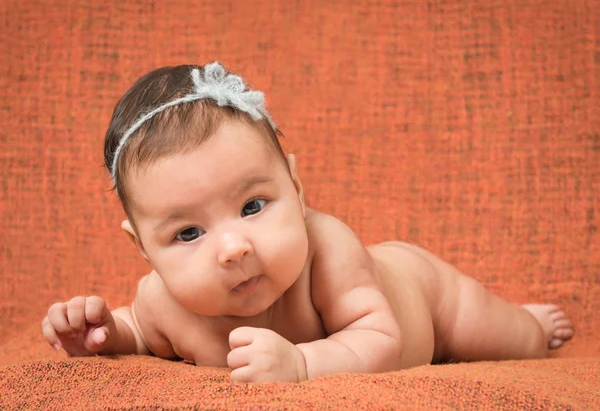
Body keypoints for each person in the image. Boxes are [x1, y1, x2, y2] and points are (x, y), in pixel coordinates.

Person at [42, 62, 574, 383]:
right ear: (144, 250)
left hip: (426, 296)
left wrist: (301, 364)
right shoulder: (163, 300)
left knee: (506, 336)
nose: (233, 248)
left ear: (295, 188)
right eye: (188, 233)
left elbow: (382, 338)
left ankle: (526, 321)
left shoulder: (329, 249)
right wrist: (105, 333)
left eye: (253, 206)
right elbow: (144, 334)